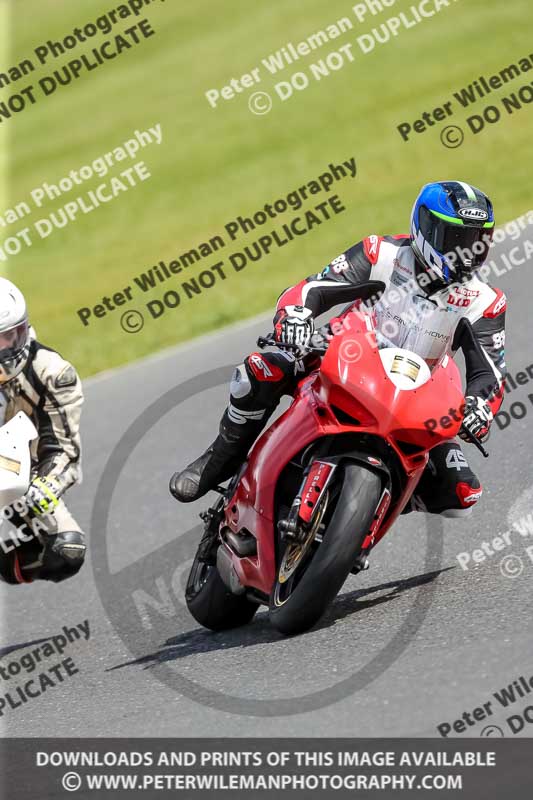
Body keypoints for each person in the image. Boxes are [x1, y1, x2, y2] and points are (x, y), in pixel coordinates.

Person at [170, 181, 507, 559]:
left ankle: (365, 514)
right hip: (344, 355)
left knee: (460, 493)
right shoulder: (381, 253)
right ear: (426, 228)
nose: (466, 251)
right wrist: (295, 317)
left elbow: (490, 373)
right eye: (456, 238)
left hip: (415, 393)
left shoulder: (485, 301)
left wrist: (480, 407)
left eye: (477, 240)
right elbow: (313, 288)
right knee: (260, 371)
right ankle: (221, 458)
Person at [0, 278, 85, 585]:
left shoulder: (53, 373)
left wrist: (47, 485)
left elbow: (64, 449)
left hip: (16, 474)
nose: (7, 348)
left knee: (67, 551)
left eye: (12, 336)